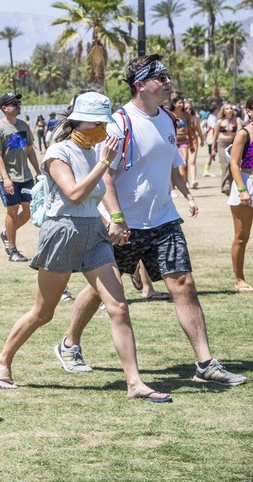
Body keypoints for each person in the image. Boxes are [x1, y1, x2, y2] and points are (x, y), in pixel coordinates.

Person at [56, 54, 247, 386]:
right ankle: (70, 343)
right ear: (140, 85)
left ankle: (205, 363)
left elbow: (171, 166)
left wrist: (186, 195)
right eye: (160, 77)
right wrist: (115, 218)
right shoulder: (117, 122)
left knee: (183, 285)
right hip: (122, 224)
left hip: (163, 221)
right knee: (100, 290)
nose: (168, 81)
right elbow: (107, 176)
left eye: (167, 75)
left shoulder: (169, 119)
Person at [0, 91, 171, 402]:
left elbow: (101, 190)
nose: (104, 130)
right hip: (63, 233)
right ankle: (2, 360)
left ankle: (135, 383)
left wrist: (114, 219)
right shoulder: (59, 152)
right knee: (43, 313)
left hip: (92, 234)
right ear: (80, 123)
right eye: (99, 124)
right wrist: (103, 163)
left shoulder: (96, 151)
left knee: (119, 307)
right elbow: (73, 193)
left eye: (105, 124)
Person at [0, 93, 41, 262]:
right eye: (13, 103)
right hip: (8, 177)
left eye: (18, 102)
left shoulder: (23, 126)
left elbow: (30, 150)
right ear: (4, 108)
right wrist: (6, 178)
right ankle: (12, 250)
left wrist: (38, 171)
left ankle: (6, 233)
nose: (18, 105)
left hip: (25, 176)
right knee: (12, 211)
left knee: (30, 210)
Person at [227, 96, 253, 292]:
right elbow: (234, 163)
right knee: (242, 237)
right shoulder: (244, 134)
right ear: (249, 111)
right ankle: (239, 279)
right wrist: (242, 190)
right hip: (246, 183)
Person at [168, 96, 196, 195]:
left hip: (184, 141)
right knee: (173, 166)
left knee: (184, 164)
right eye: (179, 103)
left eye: (182, 103)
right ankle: (173, 188)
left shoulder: (186, 115)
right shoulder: (170, 114)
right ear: (174, 104)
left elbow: (189, 130)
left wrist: (192, 144)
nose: (181, 105)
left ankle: (183, 185)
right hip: (173, 142)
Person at [213, 104, 242, 196]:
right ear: (223, 111)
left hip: (233, 144)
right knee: (225, 164)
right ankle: (226, 185)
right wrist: (213, 149)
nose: (229, 110)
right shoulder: (219, 122)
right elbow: (215, 136)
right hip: (222, 144)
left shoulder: (236, 120)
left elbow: (241, 131)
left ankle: (233, 184)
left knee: (232, 164)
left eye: (231, 108)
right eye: (227, 108)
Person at [184, 98, 206, 189]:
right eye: (186, 108)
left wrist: (202, 139)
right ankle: (185, 181)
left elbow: (198, 129)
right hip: (183, 141)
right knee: (184, 163)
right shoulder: (180, 117)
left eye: (189, 108)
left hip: (193, 140)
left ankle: (193, 180)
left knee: (192, 161)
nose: (188, 110)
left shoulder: (195, 117)